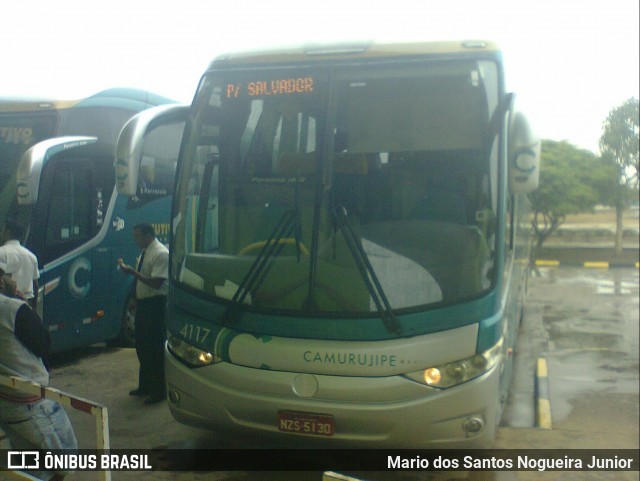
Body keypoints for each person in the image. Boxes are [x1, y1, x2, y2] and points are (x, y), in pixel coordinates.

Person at [0, 260, 77, 481]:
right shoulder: (12, 308)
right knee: (64, 461)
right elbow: (43, 343)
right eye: (8, 276)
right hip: (30, 402)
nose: (13, 280)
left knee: (31, 469)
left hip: (6, 401)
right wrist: (21, 301)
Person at [117, 223, 169, 404]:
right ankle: (145, 385)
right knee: (142, 346)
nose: (135, 240)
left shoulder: (161, 253)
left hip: (155, 304)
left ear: (148, 235)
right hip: (143, 304)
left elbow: (156, 283)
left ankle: (159, 390)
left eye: (138, 236)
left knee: (154, 348)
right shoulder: (146, 251)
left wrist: (133, 272)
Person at [0, 219, 40, 310]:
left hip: (6, 304)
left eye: (2, 230)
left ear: (7, 232)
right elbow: (35, 285)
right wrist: (34, 308)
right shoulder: (32, 256)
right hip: (26, 303)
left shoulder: (1, 253)